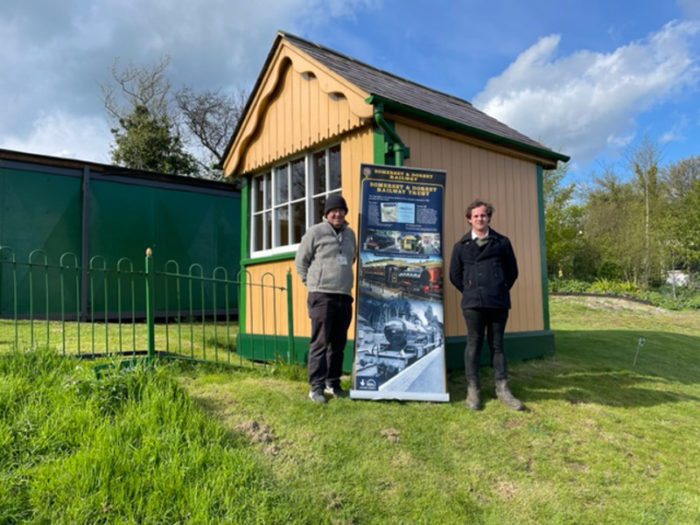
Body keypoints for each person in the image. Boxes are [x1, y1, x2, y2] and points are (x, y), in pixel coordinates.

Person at [448, 199, 524, 411]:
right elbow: (455, 275)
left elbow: (512, 271)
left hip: (498, 301)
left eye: (483, 215)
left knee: (497, 345)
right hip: (473, 303)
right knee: (473, 344)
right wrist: (471, 289)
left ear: (489, 217)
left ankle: (503, 389)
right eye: (476, 216)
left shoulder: (502, 242)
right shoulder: (461, 246)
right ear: (469, 220)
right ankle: (473, 390)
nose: (480, 219)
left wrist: (498, 286)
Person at [295, 194, 356, 403]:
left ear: (345, 213)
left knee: (338, 344)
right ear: (327, 213)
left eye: (341, 210)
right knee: (320, 343)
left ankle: (333, 383)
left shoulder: (350, 235)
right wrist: (311, 284)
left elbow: (351, 258)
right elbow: (301, 261)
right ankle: (316, 387)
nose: (337, 214)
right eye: (333, 211)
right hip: (321, 295)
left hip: (344, 296)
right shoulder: (315, 232)